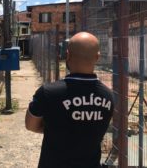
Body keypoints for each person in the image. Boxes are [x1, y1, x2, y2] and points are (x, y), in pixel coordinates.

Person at [25, 32, 114, 168]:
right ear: (97, 57)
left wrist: (56, 128)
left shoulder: (48, 92)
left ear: (67, 55)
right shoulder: (108, 96)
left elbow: (31, 125)